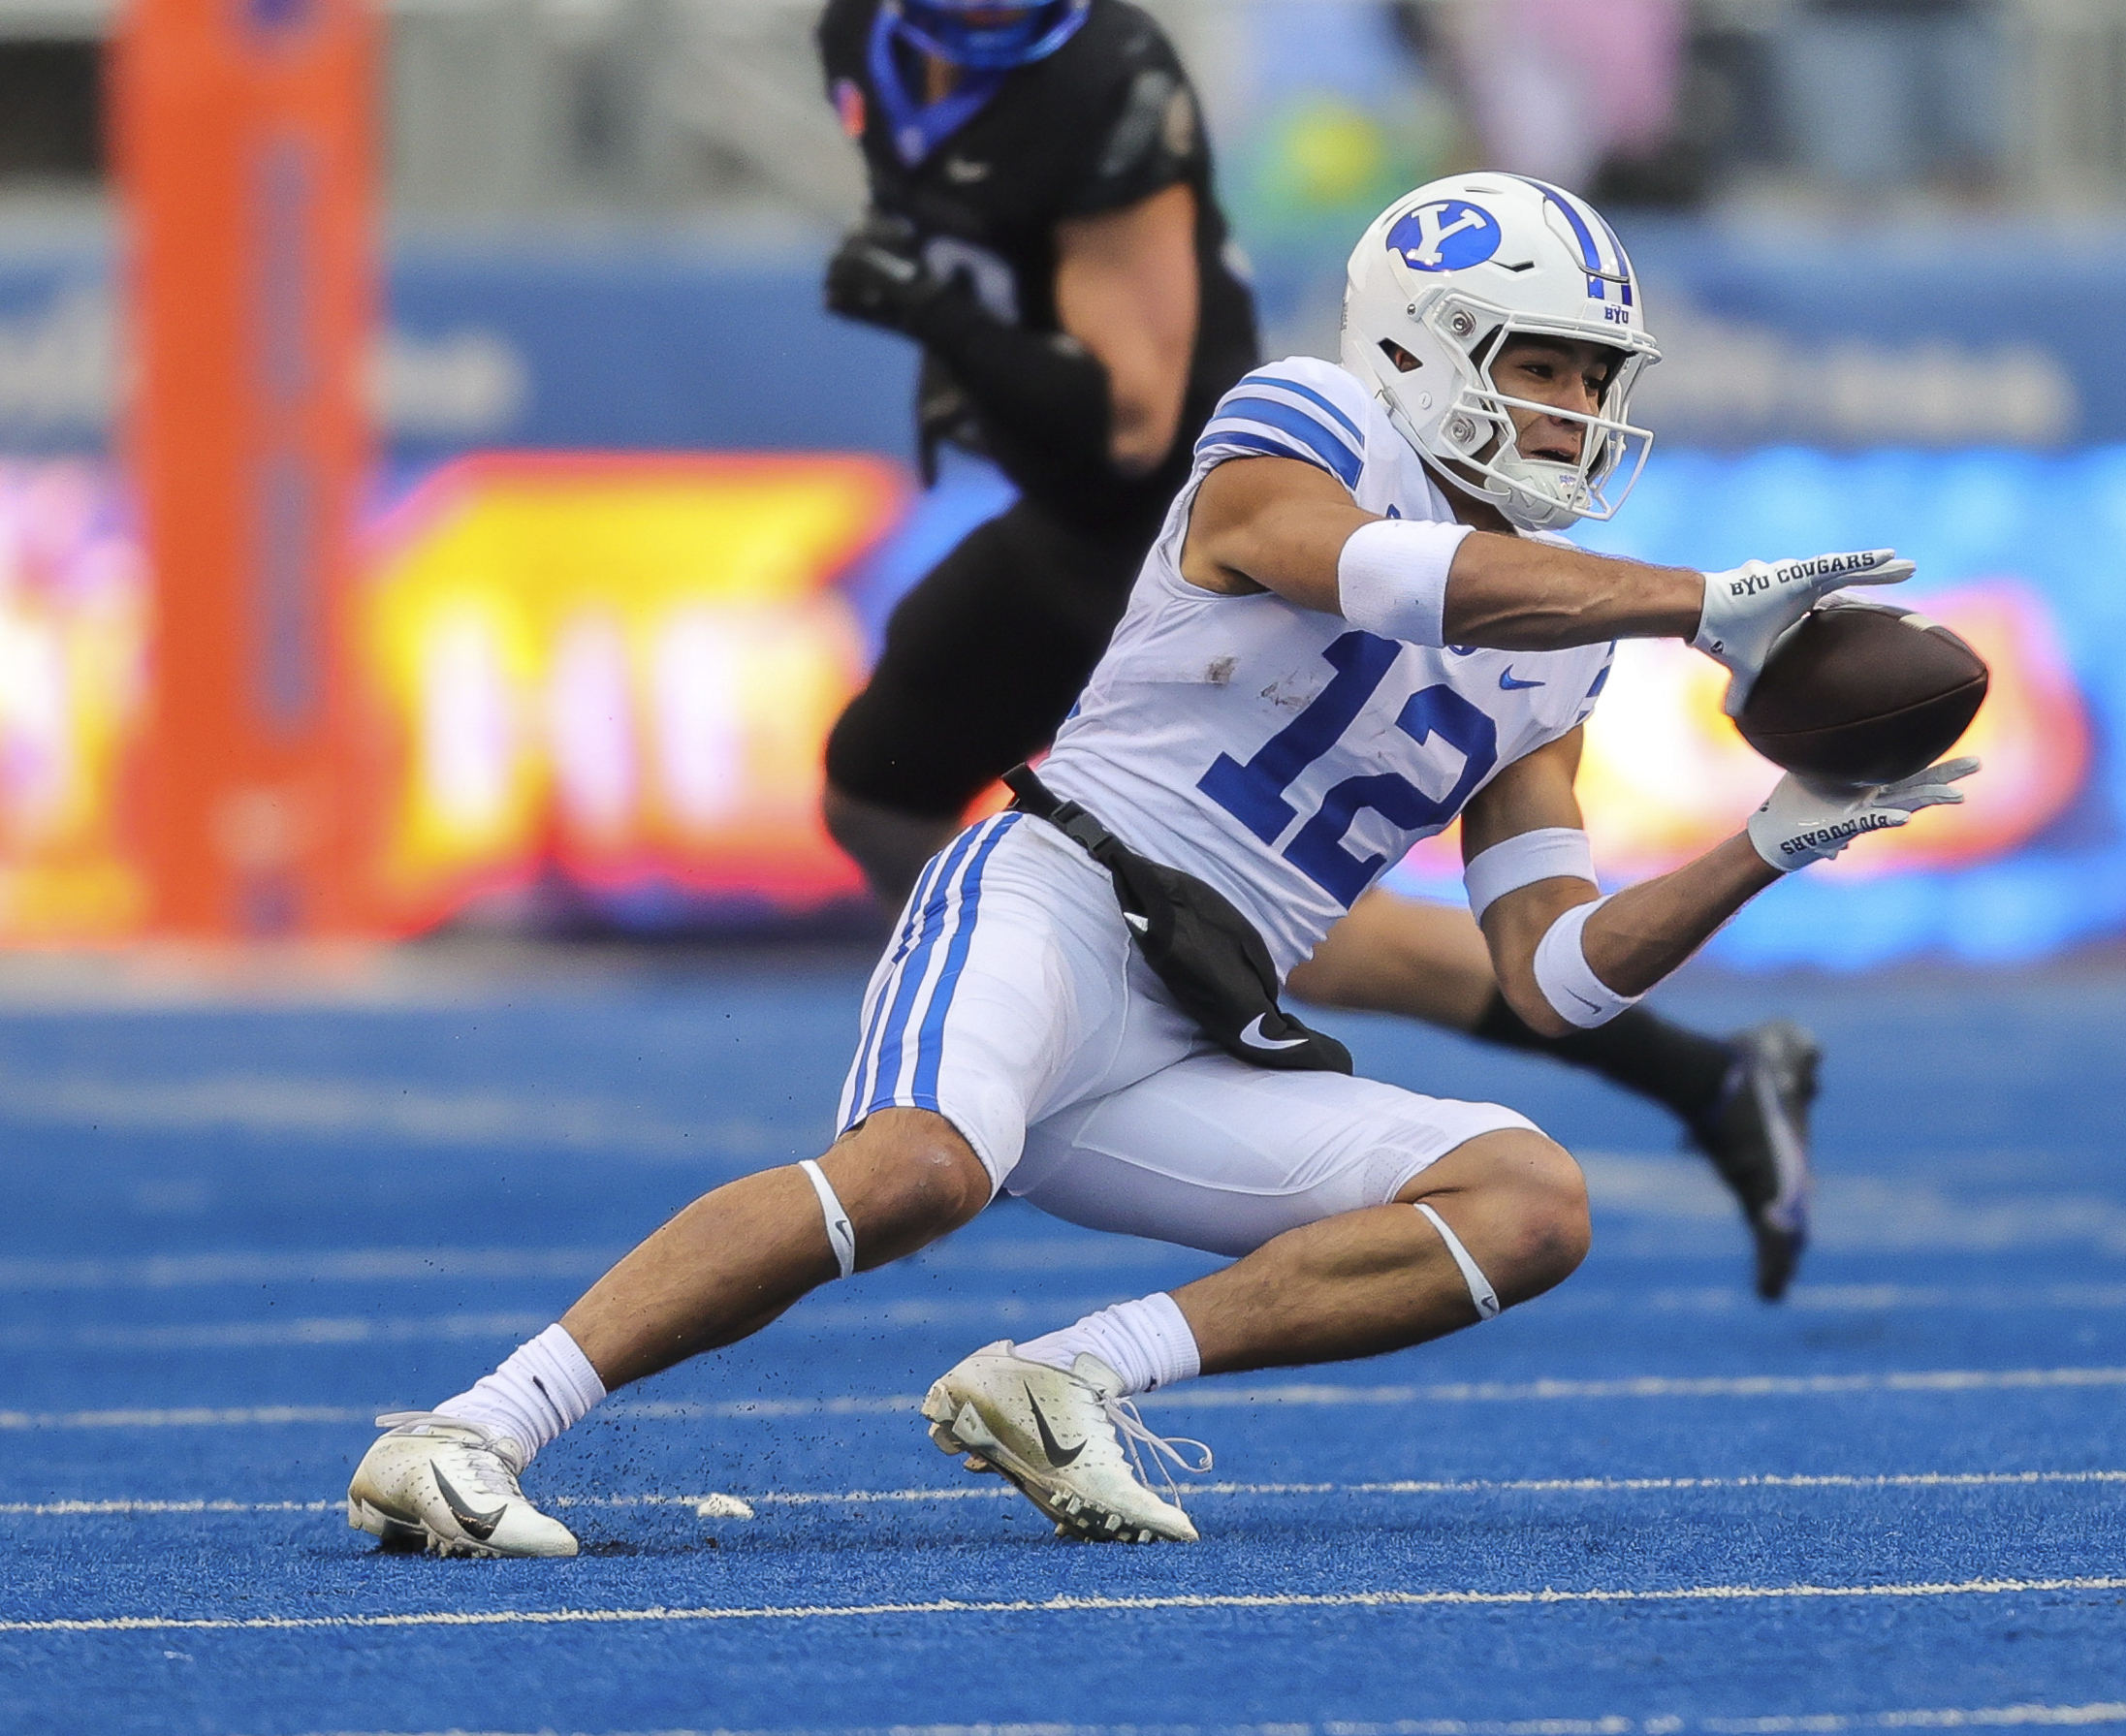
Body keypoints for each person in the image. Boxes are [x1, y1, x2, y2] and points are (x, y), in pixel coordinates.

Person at [344, 172, 1974, 1558]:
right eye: (1540, 364)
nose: (1575, 409)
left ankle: (1068, 1377)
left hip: (1199, 1017)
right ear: (1418, 344)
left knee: (1531, 1198)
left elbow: (1550, 974)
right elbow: (1361, 571)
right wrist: (1692, 603)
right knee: (920, 1169)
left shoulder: (1566, 650)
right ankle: (467, 1434)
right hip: (1052, 898)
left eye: (1594, 377)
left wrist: (1762, 844)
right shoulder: (1308, 421)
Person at [812, 0, 1826, 1296]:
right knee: (880, 788)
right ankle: (1000, 1046)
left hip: (1191, 517)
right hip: (1061, 513)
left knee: (1217, 893)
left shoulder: (1101, 74)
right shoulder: (872, 42)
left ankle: (1020, 1059)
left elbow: (1128, 417)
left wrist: (960, 336)